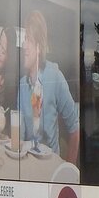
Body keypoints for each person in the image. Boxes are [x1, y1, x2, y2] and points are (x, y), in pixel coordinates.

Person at [18, 9, 80, 163]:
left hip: (51, 168)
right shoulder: (22, 85)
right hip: (27, 167)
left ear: (39, 47)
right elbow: (19, 137)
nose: (24, 46)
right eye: (24, 39)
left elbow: (74, 128)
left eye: (29, 40)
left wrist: (66, 172)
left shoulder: (54, 76)